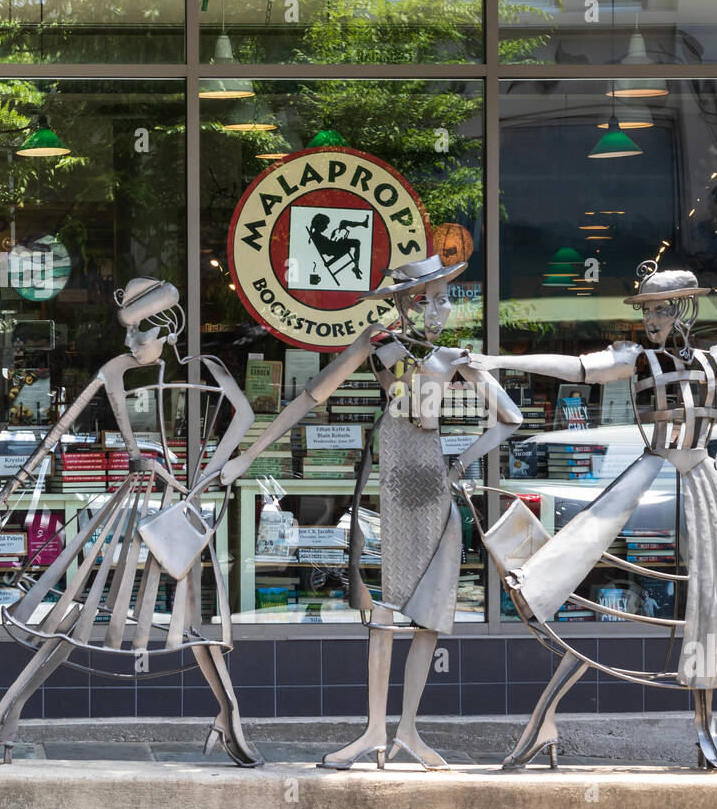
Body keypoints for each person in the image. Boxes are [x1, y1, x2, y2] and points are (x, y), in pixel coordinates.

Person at [470, 264, 717, 769]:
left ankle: (706, 727)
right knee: (567, 559)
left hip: (705, 483)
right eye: (646, 312)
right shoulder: (636, 360)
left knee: (712, 603)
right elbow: (576, 368)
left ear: (683, 309)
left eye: (661, 310)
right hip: (652, 472)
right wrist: (493, 358)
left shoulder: (715, 360)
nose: (652, 320)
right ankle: (547, 716)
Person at [217, 254, 522, 769]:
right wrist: (248, 454)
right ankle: (374, 733)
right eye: (428, 298)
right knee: (385, 612)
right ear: (405, 303)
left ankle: (406, 732)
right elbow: (312, 397)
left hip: (432, 486)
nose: (440, 308)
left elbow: (509, 417)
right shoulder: (380, 346)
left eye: (445, 298)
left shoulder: (455, 357)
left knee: (428, 617)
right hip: (399, 483)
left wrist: (461, 462)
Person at [0, 278, 261, 766]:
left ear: (168, 326)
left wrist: (215, 472)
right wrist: (8, 495)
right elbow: (60, 428)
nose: (130, 343)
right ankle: (6, 718)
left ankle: (229, 718)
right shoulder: (117, 369)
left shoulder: (213, 372)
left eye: (140, 332)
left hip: (183, 515)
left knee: (193, 623)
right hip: (133, 507)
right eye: (130, 332)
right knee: (71, 613)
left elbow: (244, 417)